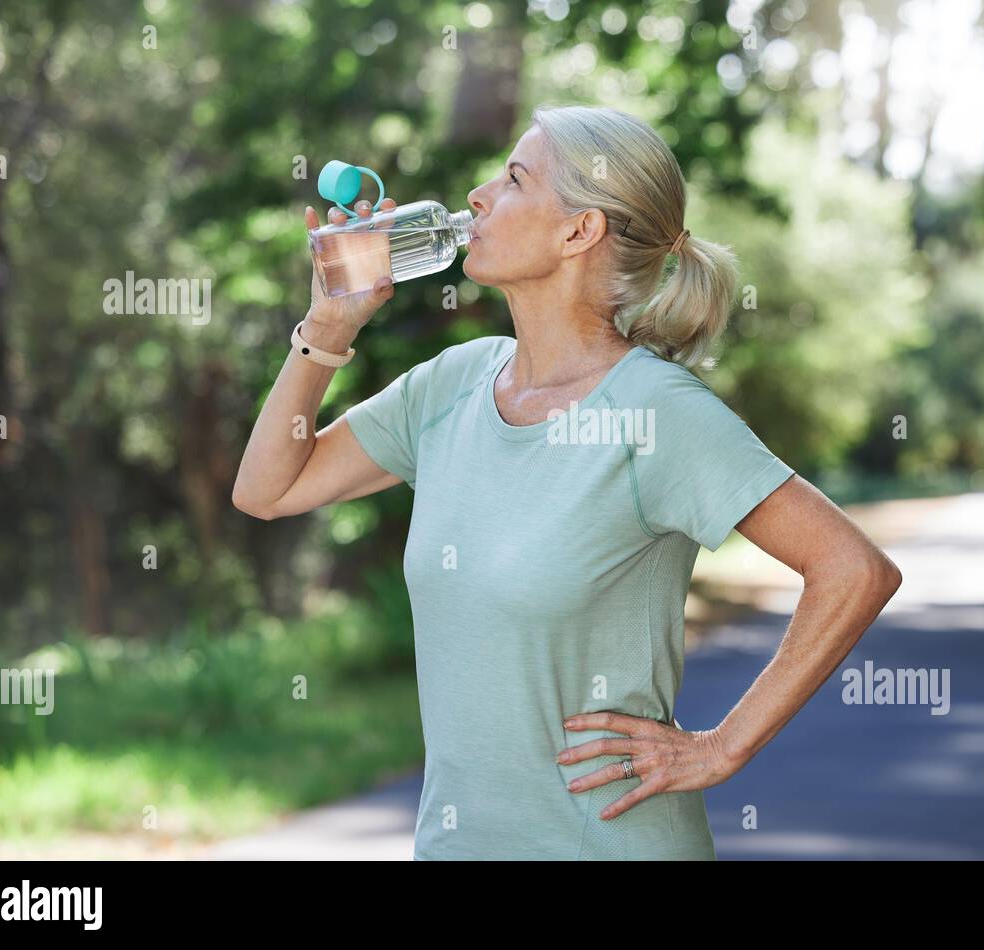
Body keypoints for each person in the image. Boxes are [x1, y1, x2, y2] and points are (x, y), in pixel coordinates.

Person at [232, 104, 902, 860]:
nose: (478, 196)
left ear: (579, 231)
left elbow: (854, 569)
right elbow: (267, 490)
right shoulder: (452, 384)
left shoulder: (656, 412)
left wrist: (721, 749)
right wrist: (327, 330)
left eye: (515, 178)